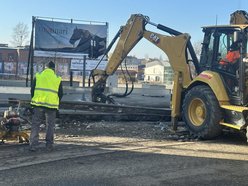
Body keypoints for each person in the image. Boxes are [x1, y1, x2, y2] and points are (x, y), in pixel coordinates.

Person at [29, 61, 63, 152]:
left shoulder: (38, 76)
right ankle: (49, 145)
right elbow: (61, 94)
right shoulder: (57, 78)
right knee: (50, 125)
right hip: (51, 106)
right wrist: (56, 102)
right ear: (53, 69)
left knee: (36, 124)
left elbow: (32, 90)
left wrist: (34, 100)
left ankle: (33, 144)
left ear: (45, 67)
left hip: (38, 104)